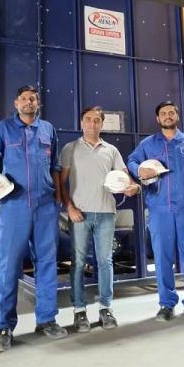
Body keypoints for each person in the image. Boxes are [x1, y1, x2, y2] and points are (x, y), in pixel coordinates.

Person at [0, 85, 68, 352]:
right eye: (24, 99)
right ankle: (4, 326)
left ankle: (47, 319)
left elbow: (55, 166)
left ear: (38, 103)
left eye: (33, 99)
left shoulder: (48, 130)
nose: (29, 102)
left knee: (47, 263)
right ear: (16, 103)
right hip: (14, 206)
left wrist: (58, 196)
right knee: (9, 265)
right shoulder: (4, 129)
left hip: (46, 206)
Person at [127, 101, 184, 322]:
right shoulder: (147, 144)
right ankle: (166, 304)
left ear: (177, 116)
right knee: (163, 258)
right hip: (159, 209)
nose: (167, 116)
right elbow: (131, 161)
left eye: (171, 112)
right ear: (158, 118)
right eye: (163, 113)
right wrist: (139, 169)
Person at [59, 106, 140, 333]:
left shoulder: (111, 151)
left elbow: (125, 178)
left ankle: (106, 308)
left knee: (105, 262)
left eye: (97, 120)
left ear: (102, 124)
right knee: (78, 263)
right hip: (80, 215)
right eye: (88, 119)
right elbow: (61, 183)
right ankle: (79, 310)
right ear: (81, 123)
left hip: (106, 214)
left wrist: (132, 187)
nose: (92, 124)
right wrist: (69, 208)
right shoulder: (70, 149)